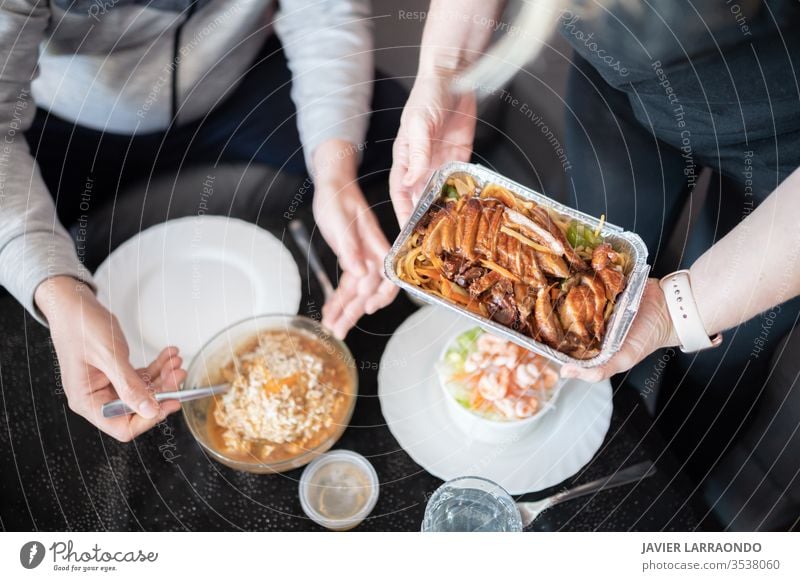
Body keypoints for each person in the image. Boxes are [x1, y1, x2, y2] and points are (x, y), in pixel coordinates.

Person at [390, 0, 800, 471]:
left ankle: (672, 468)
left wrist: (677, 313)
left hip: (784, 148)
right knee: (591, 261)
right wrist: (443, 71)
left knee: (721, 353)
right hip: (616, 82)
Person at [0, 0, 397, 441]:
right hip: (68, 124)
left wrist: (334, 174)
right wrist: (53, 286)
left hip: (233, 88)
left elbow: (325, 14)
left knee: (390, 125)